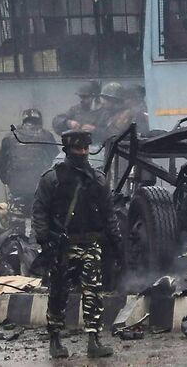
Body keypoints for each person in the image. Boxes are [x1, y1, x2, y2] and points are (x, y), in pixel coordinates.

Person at [32, 130, 122, 358]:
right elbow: (40, 210)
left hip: (91, 243)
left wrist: (117, 245)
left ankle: (94, 338)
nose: (82, 153)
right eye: (77, 149)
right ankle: (55, 338)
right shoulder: (52, 178)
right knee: (59, 293)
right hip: (63, 246)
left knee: (93, 293)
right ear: (68, 150)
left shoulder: (98, 179)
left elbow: (109, 215)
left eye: (85, 149)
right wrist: (44, 240)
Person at [0, 109, 58, 233]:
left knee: (16, 226)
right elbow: (56, 161)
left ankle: (16, 248)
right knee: (41, 224)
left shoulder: (10, 136)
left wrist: (9, 181)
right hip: (40, 188)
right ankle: (38, 250)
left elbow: (1, 165)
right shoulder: (46, 135)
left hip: (17, 188)